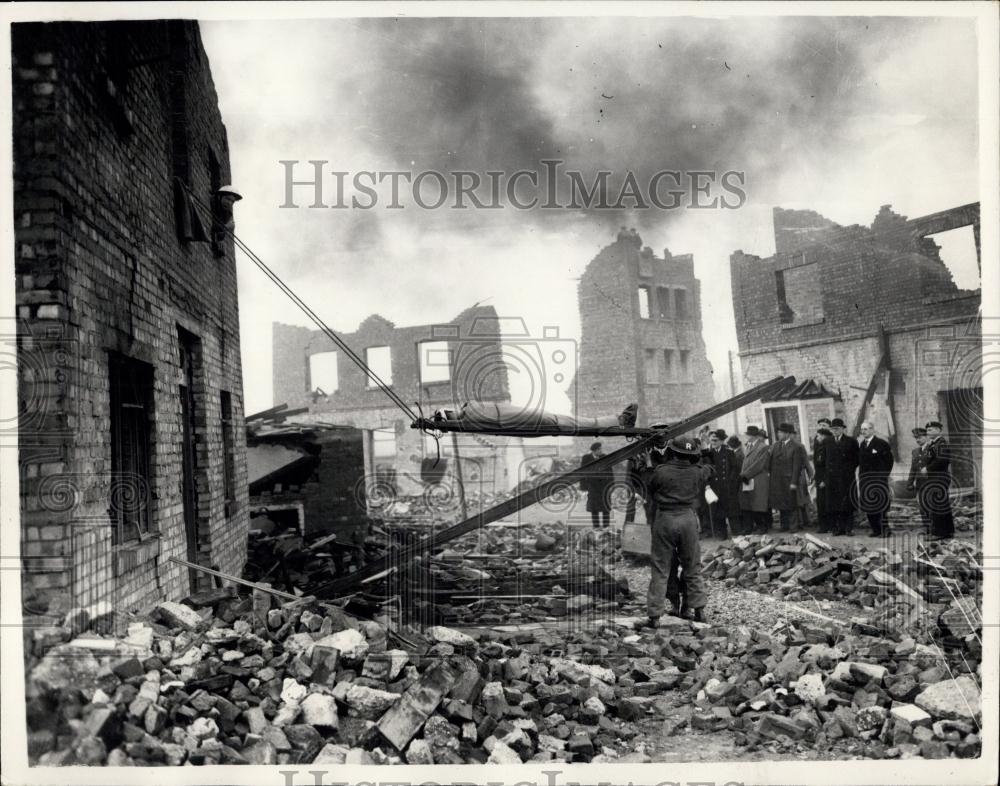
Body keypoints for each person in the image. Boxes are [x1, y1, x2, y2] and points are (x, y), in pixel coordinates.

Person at [640, 436, 713, 625]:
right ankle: (699, 612)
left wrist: (648, 463)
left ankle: (655, 615)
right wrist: (704, 452)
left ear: (673, 452)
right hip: (688, 518)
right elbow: (709, 467)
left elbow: (648, 485)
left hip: (665, 518)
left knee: (660, 567)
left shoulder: (661, 471)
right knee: (692, 566)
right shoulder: (697, 472)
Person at [857, 420, 895, 537]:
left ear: (872, 430)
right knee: (869, 505)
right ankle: (876, 530)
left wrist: (883, 476)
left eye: (866, 429)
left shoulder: (881, 444)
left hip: (878, 481)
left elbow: (889, 461)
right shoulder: (862, 445)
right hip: (865, 481)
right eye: (862, 429)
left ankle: (885, 530)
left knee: (880, 506)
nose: (864, 431)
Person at [768, 423, 807, 532]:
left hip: (789, 479)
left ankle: (793, 526)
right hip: (777, 479)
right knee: (780, 502)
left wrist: (794, 482)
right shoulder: (775, 445)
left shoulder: (796, 446)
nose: (778, 434)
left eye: (781, 432)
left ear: (788, 434)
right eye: (778, 432)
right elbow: (770, 462)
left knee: (791, 503)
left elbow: (797, 466)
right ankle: (784, 525)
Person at [824, 418, 859, 535]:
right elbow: (825, 460)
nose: (835, 431)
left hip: (846, 478)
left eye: (837, 429)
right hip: (832, 479)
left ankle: (849, 529)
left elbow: (856, 460)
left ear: (843, 429)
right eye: (833, 429)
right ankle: (839, 528)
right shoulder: (827, 441)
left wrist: (847, 470)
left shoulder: (851, 442)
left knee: (847, 503)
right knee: (835, 504)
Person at [921, 421, 955, 540]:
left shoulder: (941, 444)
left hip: (939, 477)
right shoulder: (934, 443)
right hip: (936, 477)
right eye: (928, 430)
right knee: (942, 504)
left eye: (930, 430)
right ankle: (948, 531)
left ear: (938, 430)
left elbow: (942, 461)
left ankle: (938, 533)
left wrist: (927, 468)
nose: (928, 432)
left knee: (937, 505)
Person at [704, 429, 740, 539]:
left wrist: (731, 482)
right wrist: (707, 485)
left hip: (727, 487)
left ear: (721, 441)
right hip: (715, 487)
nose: (713, 443)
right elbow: (705, 471)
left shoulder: (729, 452)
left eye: (715, 440)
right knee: (718, 512)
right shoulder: (708, 453)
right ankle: (721, 533)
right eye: (711, 440)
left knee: (732, 511)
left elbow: (735, 468)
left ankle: (736, 532)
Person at [738, 425, 771, 534]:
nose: (746, 436)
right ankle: (753, 527)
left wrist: (745, 474)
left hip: (758, 478)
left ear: (753, 436)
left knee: (759, 503)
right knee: (749, 503)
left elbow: (759, 464)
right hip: (749, 479)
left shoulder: (762, 447)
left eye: (748, 435)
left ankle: (763, 527)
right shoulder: (748, 446)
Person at [580, 441, 614, 529]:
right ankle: (596, 527)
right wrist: (583, 488)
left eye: (601, 448)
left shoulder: (605, 457)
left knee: (605, 508)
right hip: (592, 487)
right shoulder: (586, 458)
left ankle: (606, 527)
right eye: (599, 449)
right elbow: (582, 473)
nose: (601, 450)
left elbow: (610, 473)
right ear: (594, 450)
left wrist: (611, 486)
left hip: (604, 487)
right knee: (594, 509)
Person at [906, 427, 930, 532]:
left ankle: (934, 529)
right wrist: (910, 482)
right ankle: (927, 528)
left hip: (930, 483)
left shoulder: (932, 449)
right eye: (916, 438)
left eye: (920, 437)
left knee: (931, 506)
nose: (917, 440)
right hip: (920, 484)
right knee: (922, 506)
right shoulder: (915, 451)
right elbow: (913, 468)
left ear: (926, 437)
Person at [812, 427, 832, 532]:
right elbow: (817, 465)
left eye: (819, 435)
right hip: (819, 480)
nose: (817, 437)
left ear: (824, 436)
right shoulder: (818, 447)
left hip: (825, 481)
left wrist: (824, 480)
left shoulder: (828, 447)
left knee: (826, 503)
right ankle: (823, 526)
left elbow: (828, 466)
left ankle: (829, 526)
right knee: (821, 503)